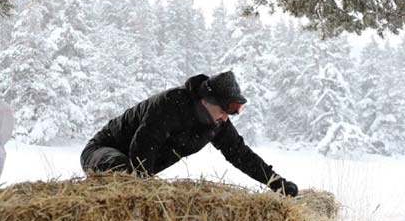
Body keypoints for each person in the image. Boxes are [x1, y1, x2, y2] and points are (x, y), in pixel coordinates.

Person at [81, 71, 299, 196]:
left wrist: (277, 184)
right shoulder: (170, 105)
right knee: (125, 172)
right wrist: (144, 194)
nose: (226, 117)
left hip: (135, 166)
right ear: (206, 101)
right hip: (102, 151)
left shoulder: (217, 122)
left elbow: (241, 155)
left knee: (133, 178)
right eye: (224, 110)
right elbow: (142, 148)